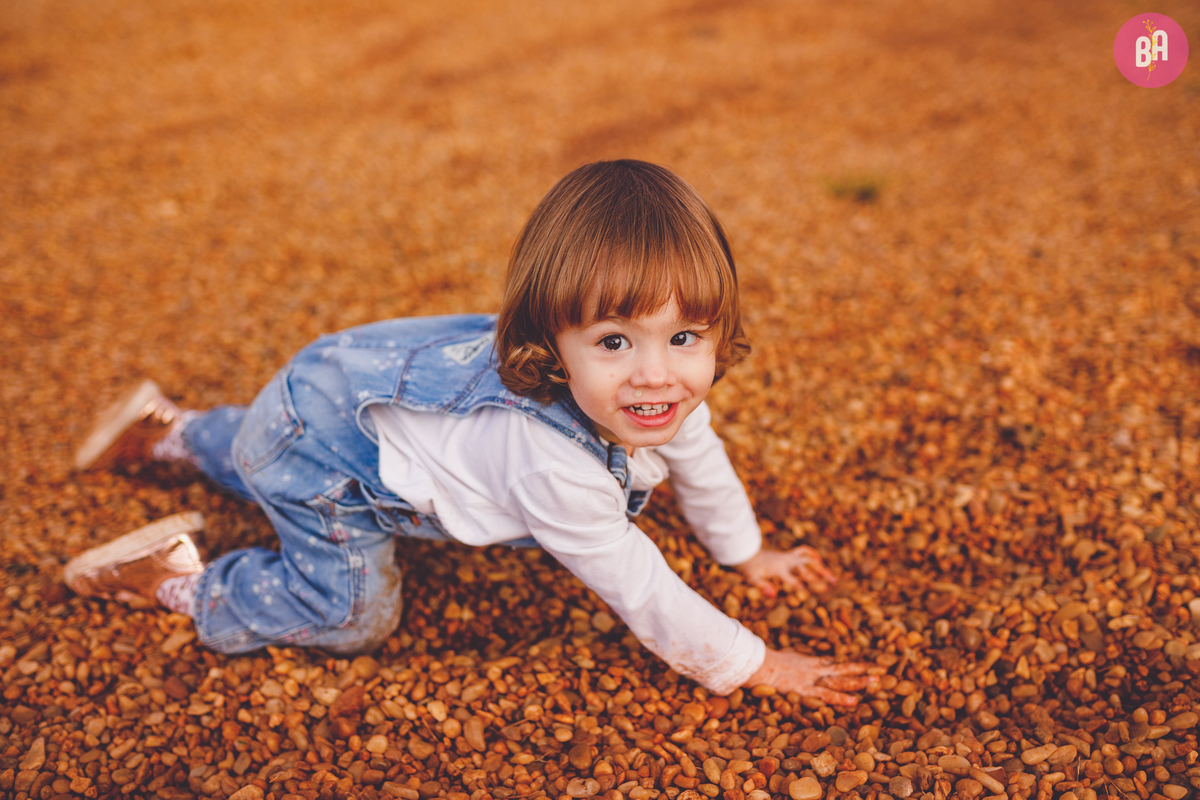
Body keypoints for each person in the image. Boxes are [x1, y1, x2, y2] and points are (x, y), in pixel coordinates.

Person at [65, 160, 870, 703]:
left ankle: (173, 429)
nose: (657, 374)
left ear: (715, 330)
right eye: (615, 342)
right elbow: (642, 588)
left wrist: (746, 551)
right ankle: (176, 579)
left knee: (263, 442)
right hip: (323, 455)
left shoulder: (645, 399)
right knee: (350, 616)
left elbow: (699, 453)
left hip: (324, 393)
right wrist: (755, 664)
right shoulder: (551, 464)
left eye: (685, 338)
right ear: (552, 339)